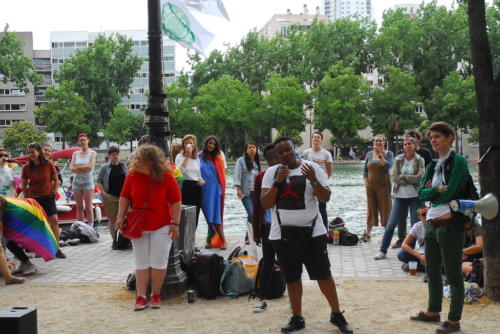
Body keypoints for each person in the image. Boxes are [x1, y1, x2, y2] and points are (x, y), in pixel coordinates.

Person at [261, 137, 352, 334]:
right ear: (276, 156)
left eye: (288, 150)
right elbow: (266, 203)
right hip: (282, 234)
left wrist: (313, 179)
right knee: (292, 278)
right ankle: (297, 317)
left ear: (294, 149)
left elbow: (325, 197)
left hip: (313, 232)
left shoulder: (312, 168)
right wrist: (277, 182)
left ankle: (337, 314)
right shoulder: (271, 173)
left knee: (323, 275)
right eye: (281, 152)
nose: (286, 154)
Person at [410, 122, 471, 333]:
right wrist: (437, 190)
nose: (434, 141)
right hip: (431, 223)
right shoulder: (431, 165)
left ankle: (454, 321)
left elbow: (453, 192)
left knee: (453, 274)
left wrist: (434, 192)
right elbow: (421, 193)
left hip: (450, 224)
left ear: (449, 138)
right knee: (432, 270)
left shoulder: (460, 161)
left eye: (437, 136)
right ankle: (433, 311)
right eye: (431, 137)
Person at [116, 145, 181, 311]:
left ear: (151, 162)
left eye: (141, 159)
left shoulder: (166, 176)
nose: (137, 162)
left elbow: (176, 201)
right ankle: (141, 296)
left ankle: (156, 294)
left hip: (162, 223)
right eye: (137, 159)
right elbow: (124, 196)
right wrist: (120, 216)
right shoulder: (132, 175)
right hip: (139, 224)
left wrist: (175, 223)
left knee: (159, 262)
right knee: (141, 262)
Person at [374, 136, 425, 260]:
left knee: (415, 225)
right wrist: (409, 179)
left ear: (415, 146)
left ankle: (410, 253)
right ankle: (382, 250)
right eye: (405, 144)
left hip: (416, 197)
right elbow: (394, 177)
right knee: (391, 224)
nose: (407, 146)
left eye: (409, 144)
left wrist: (405, 177)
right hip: (400, 196)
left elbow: (420, 177)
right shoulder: (398, 159)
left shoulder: (420, 160)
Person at [21, 142, 65, 259]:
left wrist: (55, 191)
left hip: (48, 196)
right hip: (34, 198)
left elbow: (55, 179)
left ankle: (56, 248)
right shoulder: (26, 167)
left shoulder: (49, 164)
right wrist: (26, 197)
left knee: (54, 220)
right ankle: (39, 249)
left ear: (39, 152)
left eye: (33, 152)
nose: (31, 154)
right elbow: (24, 184)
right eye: (29, 152)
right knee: (39, 223)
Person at [392, 129, 434, 248]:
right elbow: (396, 174)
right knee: (401, 216)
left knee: (419, 215)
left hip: (420, 187)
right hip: (402, 190)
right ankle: (401, 239)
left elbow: (429, 169)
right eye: (408, 138)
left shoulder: (425, 153)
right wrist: (407, 179)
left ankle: (420, 240)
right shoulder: (401, 153)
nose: (409, 141)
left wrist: (427, 182)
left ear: (418, 140)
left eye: (413, 137)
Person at [251, 143, 278, 313]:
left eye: (276, 156)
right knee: (267, 262)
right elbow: (256, 207)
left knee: (289, 263)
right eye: (270, 158)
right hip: (268, 225)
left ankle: (294, 297)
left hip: (286, 226)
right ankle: (262, 298)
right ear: (266, 160)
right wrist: (256, 231)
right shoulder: (261, 177)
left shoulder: (289, 174)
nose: (274, 160)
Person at [363, 135, 394, 241]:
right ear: (373, 143)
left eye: (380, 141)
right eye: (376, 141)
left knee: (386, 209)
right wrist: (366, 183)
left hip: (384, 187)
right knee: (371, 210)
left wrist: (381, 155)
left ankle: (386, 235)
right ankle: (368, 234)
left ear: (384, 143)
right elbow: (365, 171)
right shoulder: (369, 154)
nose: (378, 143)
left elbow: (388, 166)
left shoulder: (388, 154)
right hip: (370, 187)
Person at [97, 146, 128, 249]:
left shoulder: (123, 166)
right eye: (113, 154)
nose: (116, 157)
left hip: (123, 197)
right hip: (110, 196)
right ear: (109, 155)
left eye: (117, 154)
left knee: (125, 218)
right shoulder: (104, 167)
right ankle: (114, 240)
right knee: (112, 219)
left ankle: (124, 239)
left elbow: (127, 180)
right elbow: (99, 181)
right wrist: (104, 194)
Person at [199, 135, 227, 249]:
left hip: (215, 190)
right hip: (202, 190)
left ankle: (223, 241)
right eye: (210, 143)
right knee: (207, 216)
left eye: (214, 144)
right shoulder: (198, 156)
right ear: (206, 143)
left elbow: (222, 174)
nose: (211, 145)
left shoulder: (219, 156)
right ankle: (211, 239)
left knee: (216, 216)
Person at [302, 132, 333, 229]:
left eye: (318, 137)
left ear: (321, 140)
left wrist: (324, 181)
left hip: (321, 184)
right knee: (309, 205)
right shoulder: (306, 153)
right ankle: (309, 227)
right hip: (308, 183)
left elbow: (329, 170)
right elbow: (302, 167)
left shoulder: (326, 154)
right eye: (314, 137)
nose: (316, 139)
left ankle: (325, 230)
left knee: (322, 207)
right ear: (312, 140)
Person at [175, 134, 204, 227]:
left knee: (196, 213)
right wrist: (187, 156)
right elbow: (179, 172)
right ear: (183, 145)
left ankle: (192, 238)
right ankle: (183, 238)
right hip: (186, 186)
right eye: (186, 143)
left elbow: (198, 175)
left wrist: (202, 180)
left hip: (196, 187)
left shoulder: (196, 158)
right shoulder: (179, 156)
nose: (188, 145)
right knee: (185, 213)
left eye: (190, 143)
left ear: (194, 145)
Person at [234, 142, 261, 244]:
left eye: (254, 147)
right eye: (250, 148)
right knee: (251, 213)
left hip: (256, 193)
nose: (252, 149)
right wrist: (238, 189)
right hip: (246, 193)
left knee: (253, 214)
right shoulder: (240, 161)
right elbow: (237, 175)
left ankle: (248, 236)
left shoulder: (257, 162)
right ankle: (251, 236)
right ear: (246, 150)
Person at [70, 134, 97, 226]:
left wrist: (77, 167)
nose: (82, 142)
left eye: (84, 140)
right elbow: (71, 168)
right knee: (79, 207)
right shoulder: (75, 153)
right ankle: (80, 227)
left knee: (89, 207)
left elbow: (90, 167)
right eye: (81, 140)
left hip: (88, 182)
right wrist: (82, 168)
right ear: (79, 141)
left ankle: (90, 227)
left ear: (88, 140)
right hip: (76, 182)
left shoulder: (92, 153)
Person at [398, 207, 428, 274]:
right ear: (419, 217)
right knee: (401, 254)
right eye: (424, 214)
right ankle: (423, 266)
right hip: (422, 255)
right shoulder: (417, 226)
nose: (427, 216)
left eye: (429, 213)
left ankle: (420, 267)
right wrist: (420, 256)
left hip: (435, 254)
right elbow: (403, 244)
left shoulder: (437, 224)